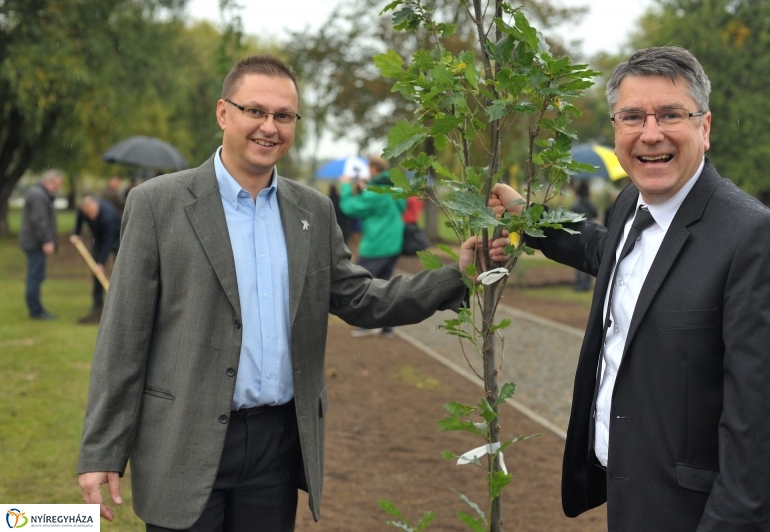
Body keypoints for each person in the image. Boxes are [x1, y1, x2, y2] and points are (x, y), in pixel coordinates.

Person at [77, 54, 477, 532]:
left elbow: (362, 298)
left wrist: (458, 274)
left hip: (277, 447)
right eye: (256, 111)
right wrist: (101, 449)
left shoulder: (313, 210)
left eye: (284, 116)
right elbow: (123, 336)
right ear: (224, 113)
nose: (270, 127)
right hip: (182, 438)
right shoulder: (157, 204)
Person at [488, 46, 770, 531]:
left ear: (705, 127)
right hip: (626, 492)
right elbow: (601, 251)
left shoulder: (754, 239)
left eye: (671, 114)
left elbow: (760, 433)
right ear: (616, 128)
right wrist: (527, 218)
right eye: (632, 116)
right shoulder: (630, 202)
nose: (650, 134)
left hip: (695, 515)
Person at [339, 156, 406, 338]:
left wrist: (346, 187)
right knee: (387, 285)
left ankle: (366, 323)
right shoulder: (395, 188)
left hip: (377, 244)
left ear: (374, 169)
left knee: (360, 284)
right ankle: (388, 328)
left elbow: (350, 208)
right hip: (394, 243)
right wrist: (364, 190)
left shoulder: (376, 193)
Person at [18, 169, 63, 320]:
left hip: (34, 242)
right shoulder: (38, 195)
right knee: (35, 277)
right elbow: (39, 220)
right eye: (57, 184)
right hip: (35, 243)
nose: (58, 188)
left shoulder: (38, 193)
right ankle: (35, 311)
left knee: (36, 276)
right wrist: (46, 241)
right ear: (48, 182)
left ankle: (36, 308)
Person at [70, 194, 122, 314]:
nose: (92, 217)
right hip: (98, 238)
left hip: (115, 237)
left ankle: (120, 300)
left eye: (94, 213)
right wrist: (76, 233)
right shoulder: (83, 210)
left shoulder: (108, 216)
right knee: (96, 271)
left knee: (119, 267)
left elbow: (108, 243)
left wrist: (101, 263)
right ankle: (97, 304)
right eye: (89, 215)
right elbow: (79, 219)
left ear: (97, 207)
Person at [569, 181, 597, 291]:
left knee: (578, 260)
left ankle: (579, 284)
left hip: (578, 234)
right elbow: (595, 214)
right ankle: (587, 284)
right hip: (589, 233)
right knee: (589, 259)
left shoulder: (576, 205)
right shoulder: (590, 203)